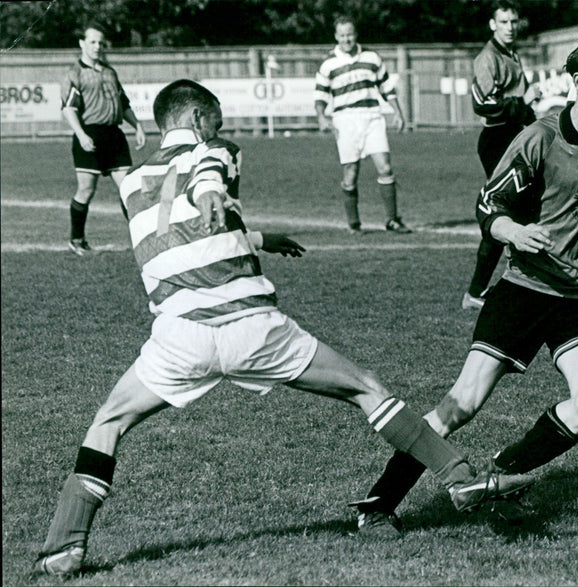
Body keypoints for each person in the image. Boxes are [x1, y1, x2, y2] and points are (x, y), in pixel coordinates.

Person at [31, 79, 534, 577]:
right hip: (253, 328)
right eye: (216, 122)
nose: (218, 130)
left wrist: (258, 236)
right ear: (198, 121)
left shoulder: (129, 183)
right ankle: (459, 476)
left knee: (108, 423)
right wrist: (212, 191)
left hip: (178, 338)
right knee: (367, 388)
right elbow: (206, 175)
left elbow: (174, 224)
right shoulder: (217, 150)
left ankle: (63, 547)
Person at [349, 35, 578, 537]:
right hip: (526, 288)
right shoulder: (538, 139)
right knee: (460, 404)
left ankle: (502, 475)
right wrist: (515, 232)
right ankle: (377, 504)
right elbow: (488, 206)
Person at [463, 0, 540, 310]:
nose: (510, 27)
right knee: (506, 208)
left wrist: (536, 124)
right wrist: (523, 101)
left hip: (514, 135)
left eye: (514, 21)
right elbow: (483, 105)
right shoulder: (488, 58)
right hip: (497, 138)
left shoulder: (510, 54)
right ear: (492, 24)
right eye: (504, 21)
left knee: (522, 205)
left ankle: (491, 287)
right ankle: (483, 289)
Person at [314, 15, 412, 234]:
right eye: (342, 35)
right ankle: (354, 224)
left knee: (385, 166)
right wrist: (321, 116)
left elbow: (387, 87)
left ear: (355, 34)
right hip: (345, 121)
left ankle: (392, 220)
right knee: (350, 172)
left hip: (372, 117)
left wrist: (398, 113)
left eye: (349, 34)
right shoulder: (328, 63)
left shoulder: (372, 57)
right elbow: (320, 95)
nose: (346, 39)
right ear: (335, 36)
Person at [60, 23, 146, 256]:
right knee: (86, 190)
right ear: (82, 44)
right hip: (90, 133)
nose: (97, 47)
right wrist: (81, 134)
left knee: (128, 188)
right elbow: (68, 109)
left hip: (114, 135)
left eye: (100, 42)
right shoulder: (74, 73)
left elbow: (123, 103)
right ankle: (77, 240)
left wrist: (137, 125)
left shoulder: (109, 72)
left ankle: (143, 239)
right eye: (92, 42)